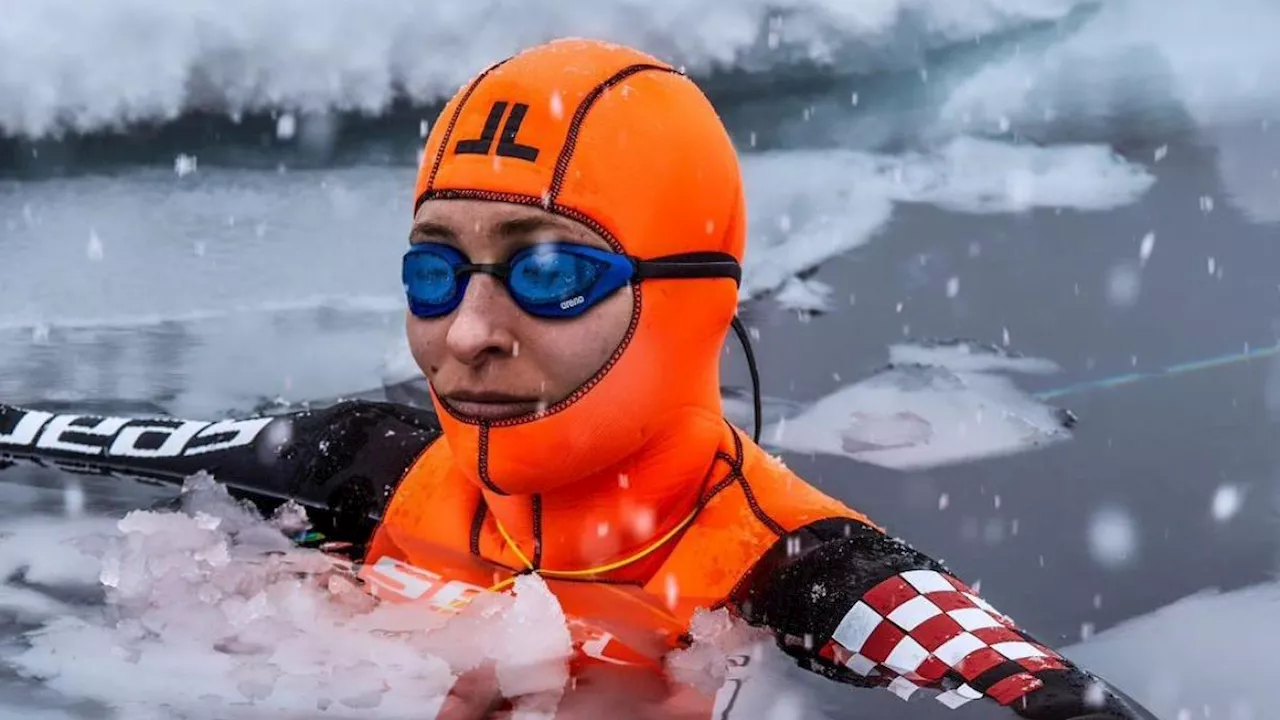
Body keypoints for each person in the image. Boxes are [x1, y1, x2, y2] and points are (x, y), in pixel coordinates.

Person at [0, 38, 1154, 720]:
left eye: (549, 273)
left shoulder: (769, 559)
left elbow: (1033, 686)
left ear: (687, 297)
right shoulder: (364, 468)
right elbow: (77, 437)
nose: (466, 336)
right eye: (433, 270)